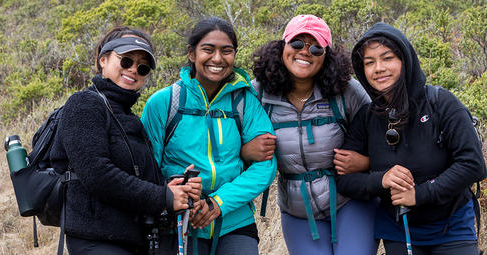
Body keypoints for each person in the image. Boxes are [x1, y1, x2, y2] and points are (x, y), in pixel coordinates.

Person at [335, 22, 487, 255]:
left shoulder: (442, 103)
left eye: (387, 58)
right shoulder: (367, 117)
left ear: (405, 60)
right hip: (398, 229)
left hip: (452, 225)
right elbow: (344, 180)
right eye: (369, 63)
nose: (378, 68)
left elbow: (473, 164)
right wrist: (381, 180)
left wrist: (419, 194)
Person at [50, 26, 202, 254]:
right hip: (96, 240)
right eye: (125, 61)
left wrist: (174, 188)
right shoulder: (84, 104)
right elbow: (97, 174)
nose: (133, 70)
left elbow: (138, 177)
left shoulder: (129, 118)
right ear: (103, 59)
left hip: (132, 241)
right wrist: (163, 197)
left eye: (142, 67)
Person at [242, 14, 377, 255]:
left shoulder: (348, 91)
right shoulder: (258, 93)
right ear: (282, 46)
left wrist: (366, 162)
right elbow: (229, 143)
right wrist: (246, 151)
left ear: (326, 56)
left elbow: (380, 137)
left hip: (350, 202)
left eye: (316, 48)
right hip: (297, 211)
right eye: (296, 43)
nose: (305, 52)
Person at [141, 17, 277, 255]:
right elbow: (146, 167)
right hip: (178, 223)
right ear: (192, 54)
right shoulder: (163, 103)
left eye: (226, 51)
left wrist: (218, 203)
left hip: (233, 220)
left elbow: (265, 164)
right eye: (208, 49)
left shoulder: (244, 101)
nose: (217, 58)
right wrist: (173, 193)